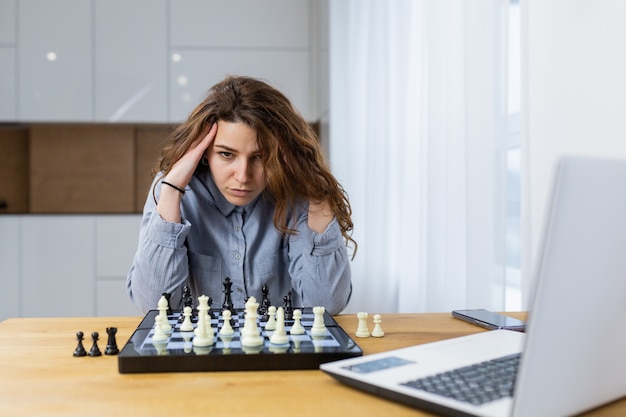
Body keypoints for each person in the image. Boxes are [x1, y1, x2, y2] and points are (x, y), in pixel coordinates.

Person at [127, 75, 356, 315]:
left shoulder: (299, 197)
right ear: (204, 152)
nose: (243, 175)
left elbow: (326, 305)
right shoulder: (172, 191)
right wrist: (171, 189)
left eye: (259, 157)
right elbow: (152, 306)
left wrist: (316, 191)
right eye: (227, 154)